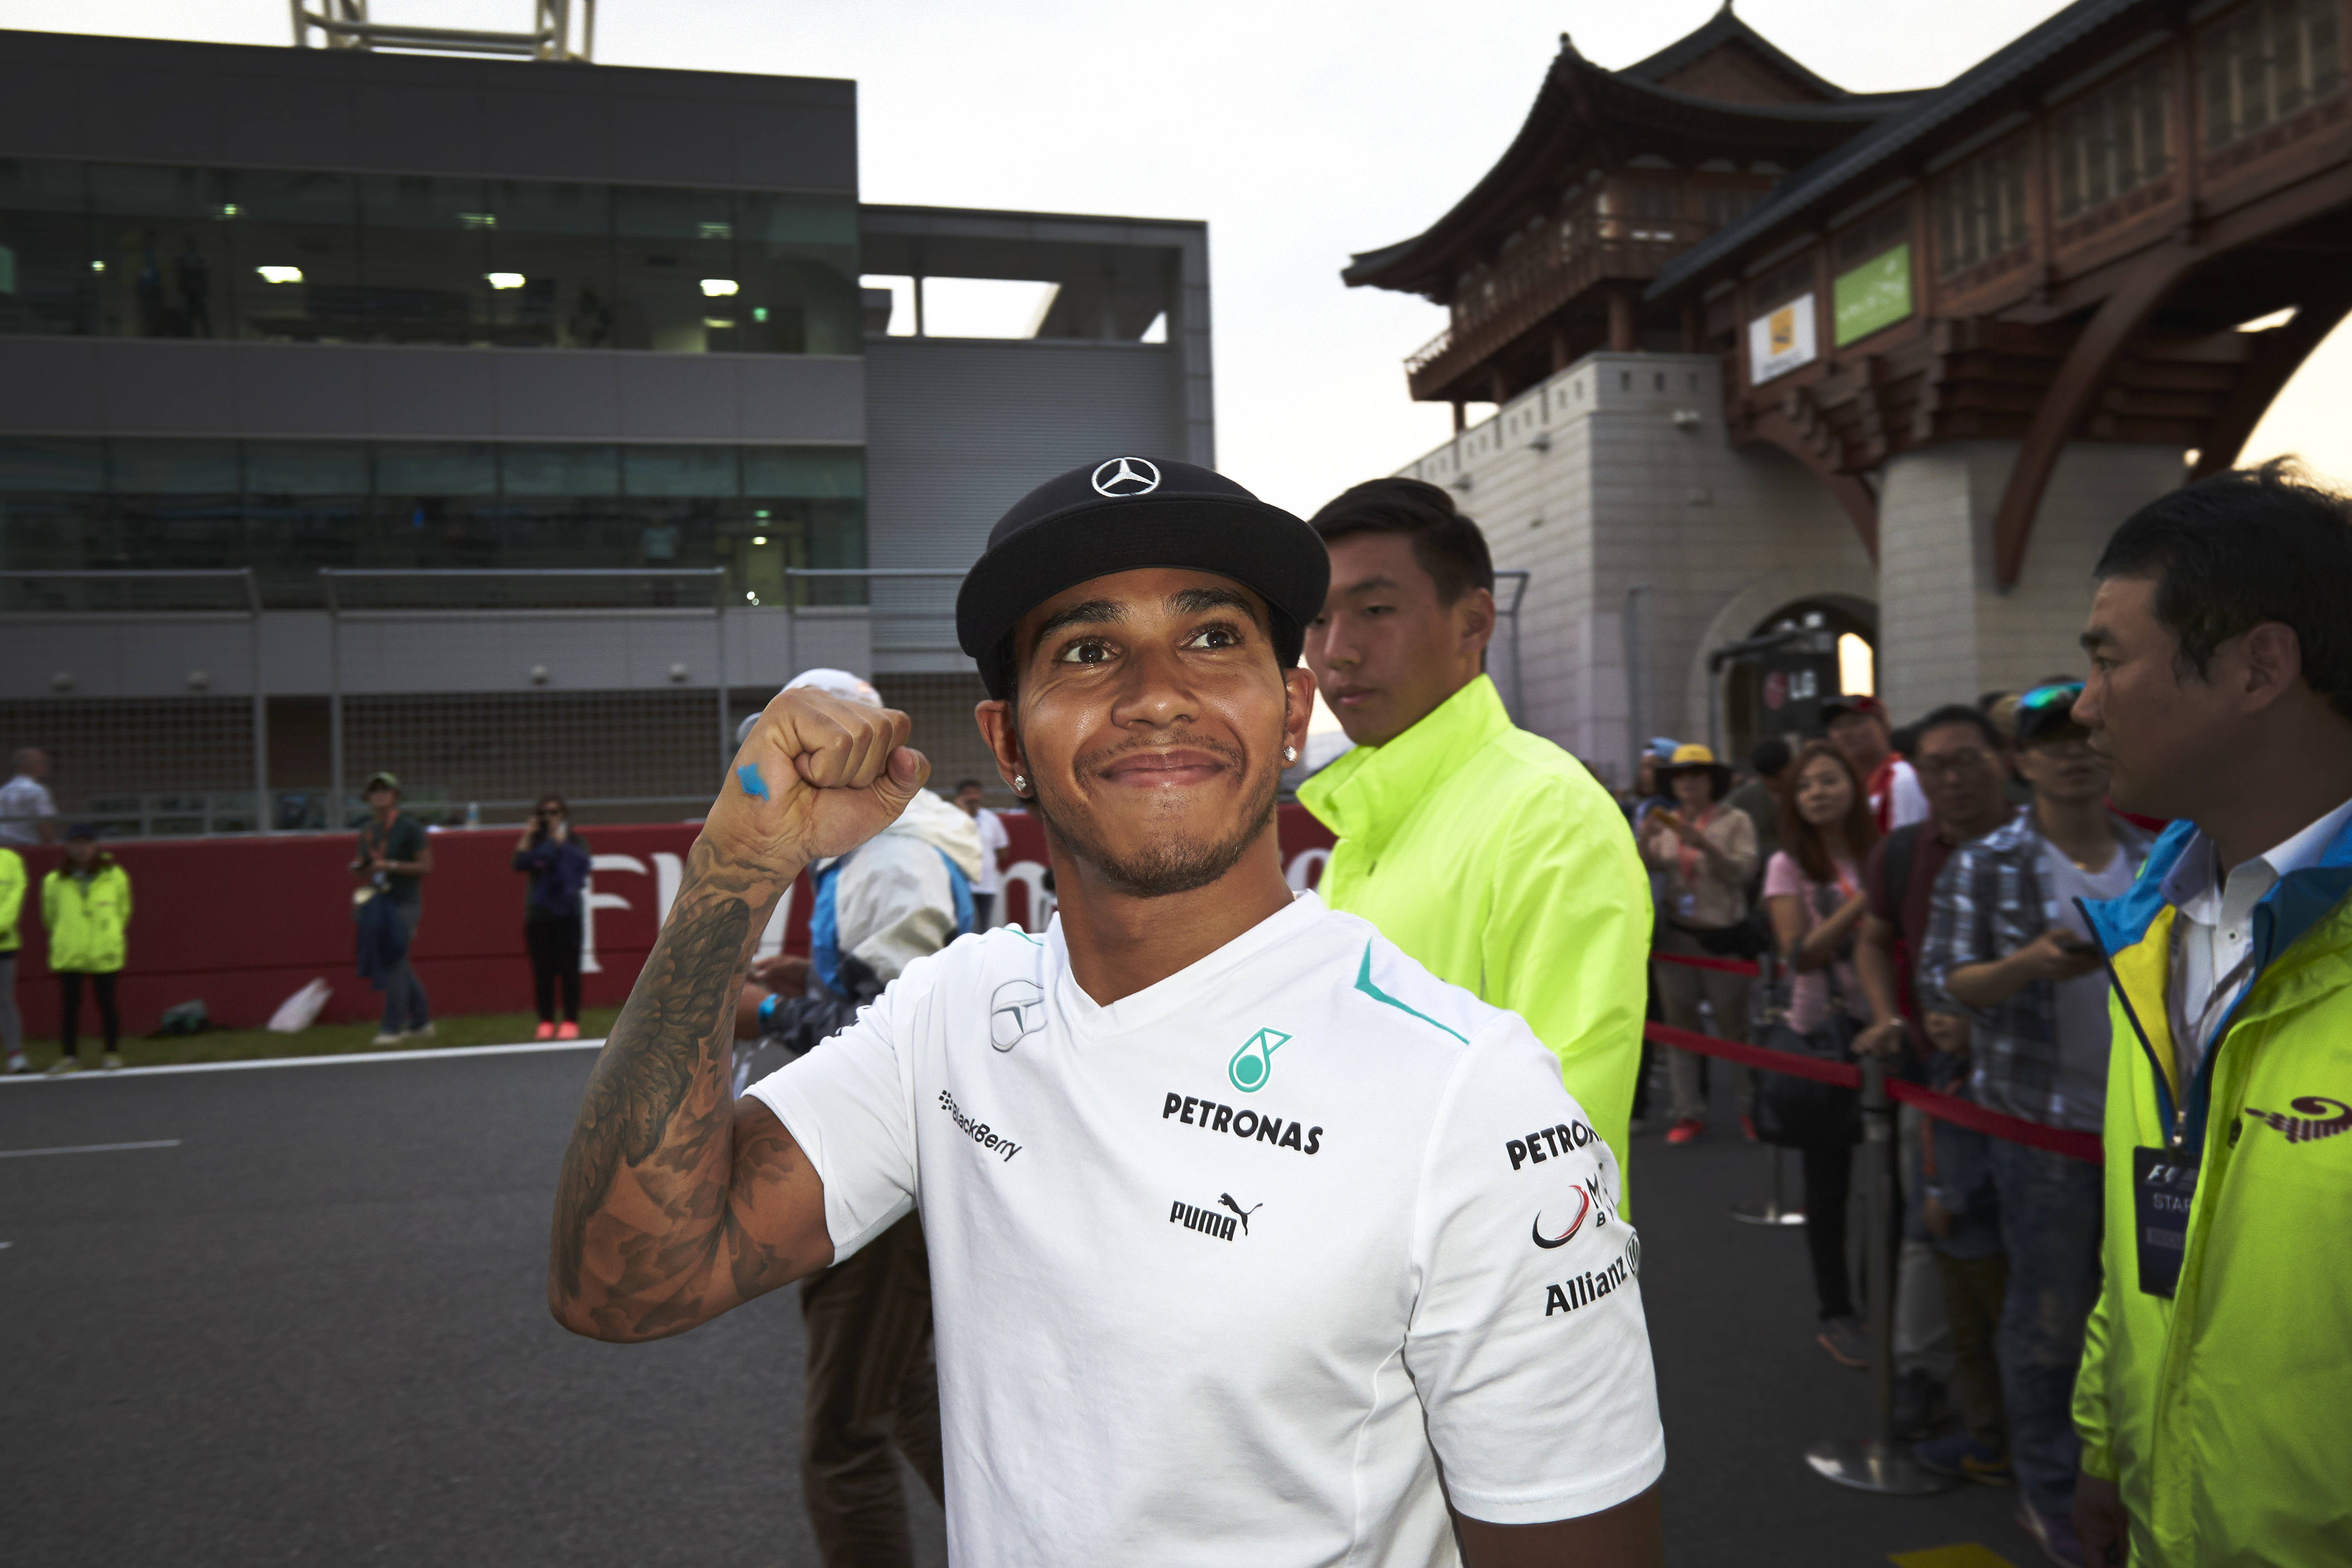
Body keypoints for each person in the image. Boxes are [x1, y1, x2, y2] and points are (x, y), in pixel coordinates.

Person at [548, 456, 1666, 1565]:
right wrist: (737, 862)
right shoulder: (951, 1013)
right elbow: (624, 1278)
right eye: (1087, 651)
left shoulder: (1475, 1093)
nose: (1156, 694)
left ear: (1292, 710)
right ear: (1007, 743)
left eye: (1212, 637)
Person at [2064, 464, 2352, 1567]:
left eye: (2108, 659)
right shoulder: (2153, 931)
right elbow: (2145, 1236)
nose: (2082, 705)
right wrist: (2107, 1441)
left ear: (2259, 666)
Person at [1298, 477, 1652, 1177]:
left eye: (1375, 610)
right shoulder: (1366, 819)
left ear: (1474, 623)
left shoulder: (1547, 814)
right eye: (1315, 621)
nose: (1337, 650)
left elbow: (1562, 1139)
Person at [727, 667, 981, 1568]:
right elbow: (896, 1000)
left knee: (840, 1442)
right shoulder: (889, 843)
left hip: (887, 1160)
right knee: (903, 1385)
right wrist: (810, 978)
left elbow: (905, 1037)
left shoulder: (892, 859)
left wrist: (765, 1012)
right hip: (899, 1150)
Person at [1916, 681, 2151, 1556]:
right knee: (2050, 1319)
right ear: (2021, 761)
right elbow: (1945, 983)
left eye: (2082, 735)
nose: (2071, 754)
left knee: (2140, 1318)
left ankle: (2124, 1484)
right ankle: (2048, 1488)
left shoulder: (2154, 852)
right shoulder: (1988, 862)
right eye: (2048, 742)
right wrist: (2027, 965)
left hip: (2143, 1129)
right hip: (2038, 1131)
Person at [1760, 740, 1879, 1367]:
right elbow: (1800, 953)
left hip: (1883, 1030)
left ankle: (1879, 1298)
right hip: (1821, 1034)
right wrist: (1865, 900)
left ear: (1854, 787)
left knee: (1890, 1186)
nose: (1818, 794)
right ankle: (1837, 1310)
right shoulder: (1787, 865)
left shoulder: (1878, 853)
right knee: (1828, 1187)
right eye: (1806, 786)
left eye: (1830, 780)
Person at [1640, 744, 1756, 1145]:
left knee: (1734, 1031)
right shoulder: (1665, 822)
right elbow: (1645, 868)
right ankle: (1687, 1112)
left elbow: (1743, 871)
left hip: (1722, 939)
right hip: (1676, 938)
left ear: (1712, 780)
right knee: (1680, 1031)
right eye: (1680, 777)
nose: (1687, 783)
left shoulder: (1735, 820)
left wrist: (1704, 844)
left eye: (1696, 775)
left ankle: (1749, 1109)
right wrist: (1644, 840)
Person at [41, 825, 131, 1074]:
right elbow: (50, 917)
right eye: (76, 843)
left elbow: (123, 910)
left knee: (107, 1004)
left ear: (95, 846)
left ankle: (111, 1053)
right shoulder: (54, 880)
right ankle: (69, 1057)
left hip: (104, 948)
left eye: (87, 843)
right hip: (70, 950)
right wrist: (67, 935)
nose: (82, 849)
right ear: (67, 847)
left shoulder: (114, 875)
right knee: (69, 1008)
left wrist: (109, 932)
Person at [351, 771, 431, 1046]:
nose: (380, 796)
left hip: (404, 900)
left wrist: (392, 866)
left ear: (395, 795)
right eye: (375, 791)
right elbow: (365, 864)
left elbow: (425, 866)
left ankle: (392, 1026)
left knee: (395, 961)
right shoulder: (367, 830)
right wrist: (361, 868)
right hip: (378, 900)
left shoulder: (408, 826)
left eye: (385, 791)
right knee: (396, 963)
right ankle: (420, 1021)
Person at [514, 794, 591, 1042]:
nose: (550, 818)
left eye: (555, 812)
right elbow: (519, 862)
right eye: (545, 813)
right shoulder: (534, 843)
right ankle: (545, 1021)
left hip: (568, 914)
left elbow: (582, 865)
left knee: (570, 970)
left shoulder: (576, 841)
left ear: (564, 815)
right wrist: (529, 834)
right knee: (542, 972)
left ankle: (570, 1020)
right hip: (539, 915)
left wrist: (558, 843)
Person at [1823, 695, 1928, 833]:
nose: (1845, 732)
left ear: (1884, 726)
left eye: (1855, 722)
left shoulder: (1902, 779)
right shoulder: (1845, 785)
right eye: (1837, 726)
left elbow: (1910, 843)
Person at [1724, 739, 1790, 876]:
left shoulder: (1802, 793)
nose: (1774, 783)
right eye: (1768, 778)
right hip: (1760, 874)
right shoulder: (1743, 799)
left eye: (1779, 776)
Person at [951, 776, 1009, 931]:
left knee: (983, 928)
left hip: (987, 884)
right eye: (968, 794)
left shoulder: (991, 819)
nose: (973, 797)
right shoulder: (952, 819)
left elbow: (1002, 849)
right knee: (963, 928)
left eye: (976, 793)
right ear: (960, 796)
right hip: (961, 883)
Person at [0, 747, 58, 846]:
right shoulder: (37, 791)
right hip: (29, 846)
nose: (45, 767)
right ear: (28, 765)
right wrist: (50, 845)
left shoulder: (4, 791)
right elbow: (44, 822)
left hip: (4, 846)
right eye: (41, 762)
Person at [0, 838, 24, 1074]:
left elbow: (14, 899)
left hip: (3, 942)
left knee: (5, 1001)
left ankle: (15, 1055)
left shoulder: (11, 860)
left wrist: (1, 926)